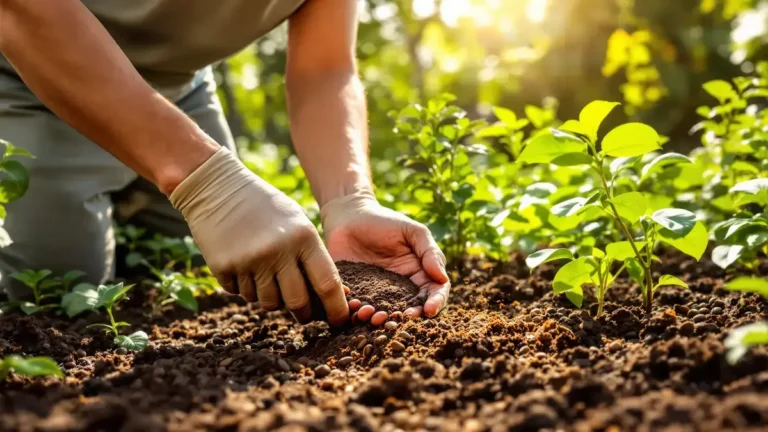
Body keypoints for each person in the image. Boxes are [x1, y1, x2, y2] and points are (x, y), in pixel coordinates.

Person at [0, 0, 450, 327]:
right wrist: (207, 183)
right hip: (23, 75)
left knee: (206, 278)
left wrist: (350, 200)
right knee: (58, 301)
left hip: (180, 89)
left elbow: (324, 66)